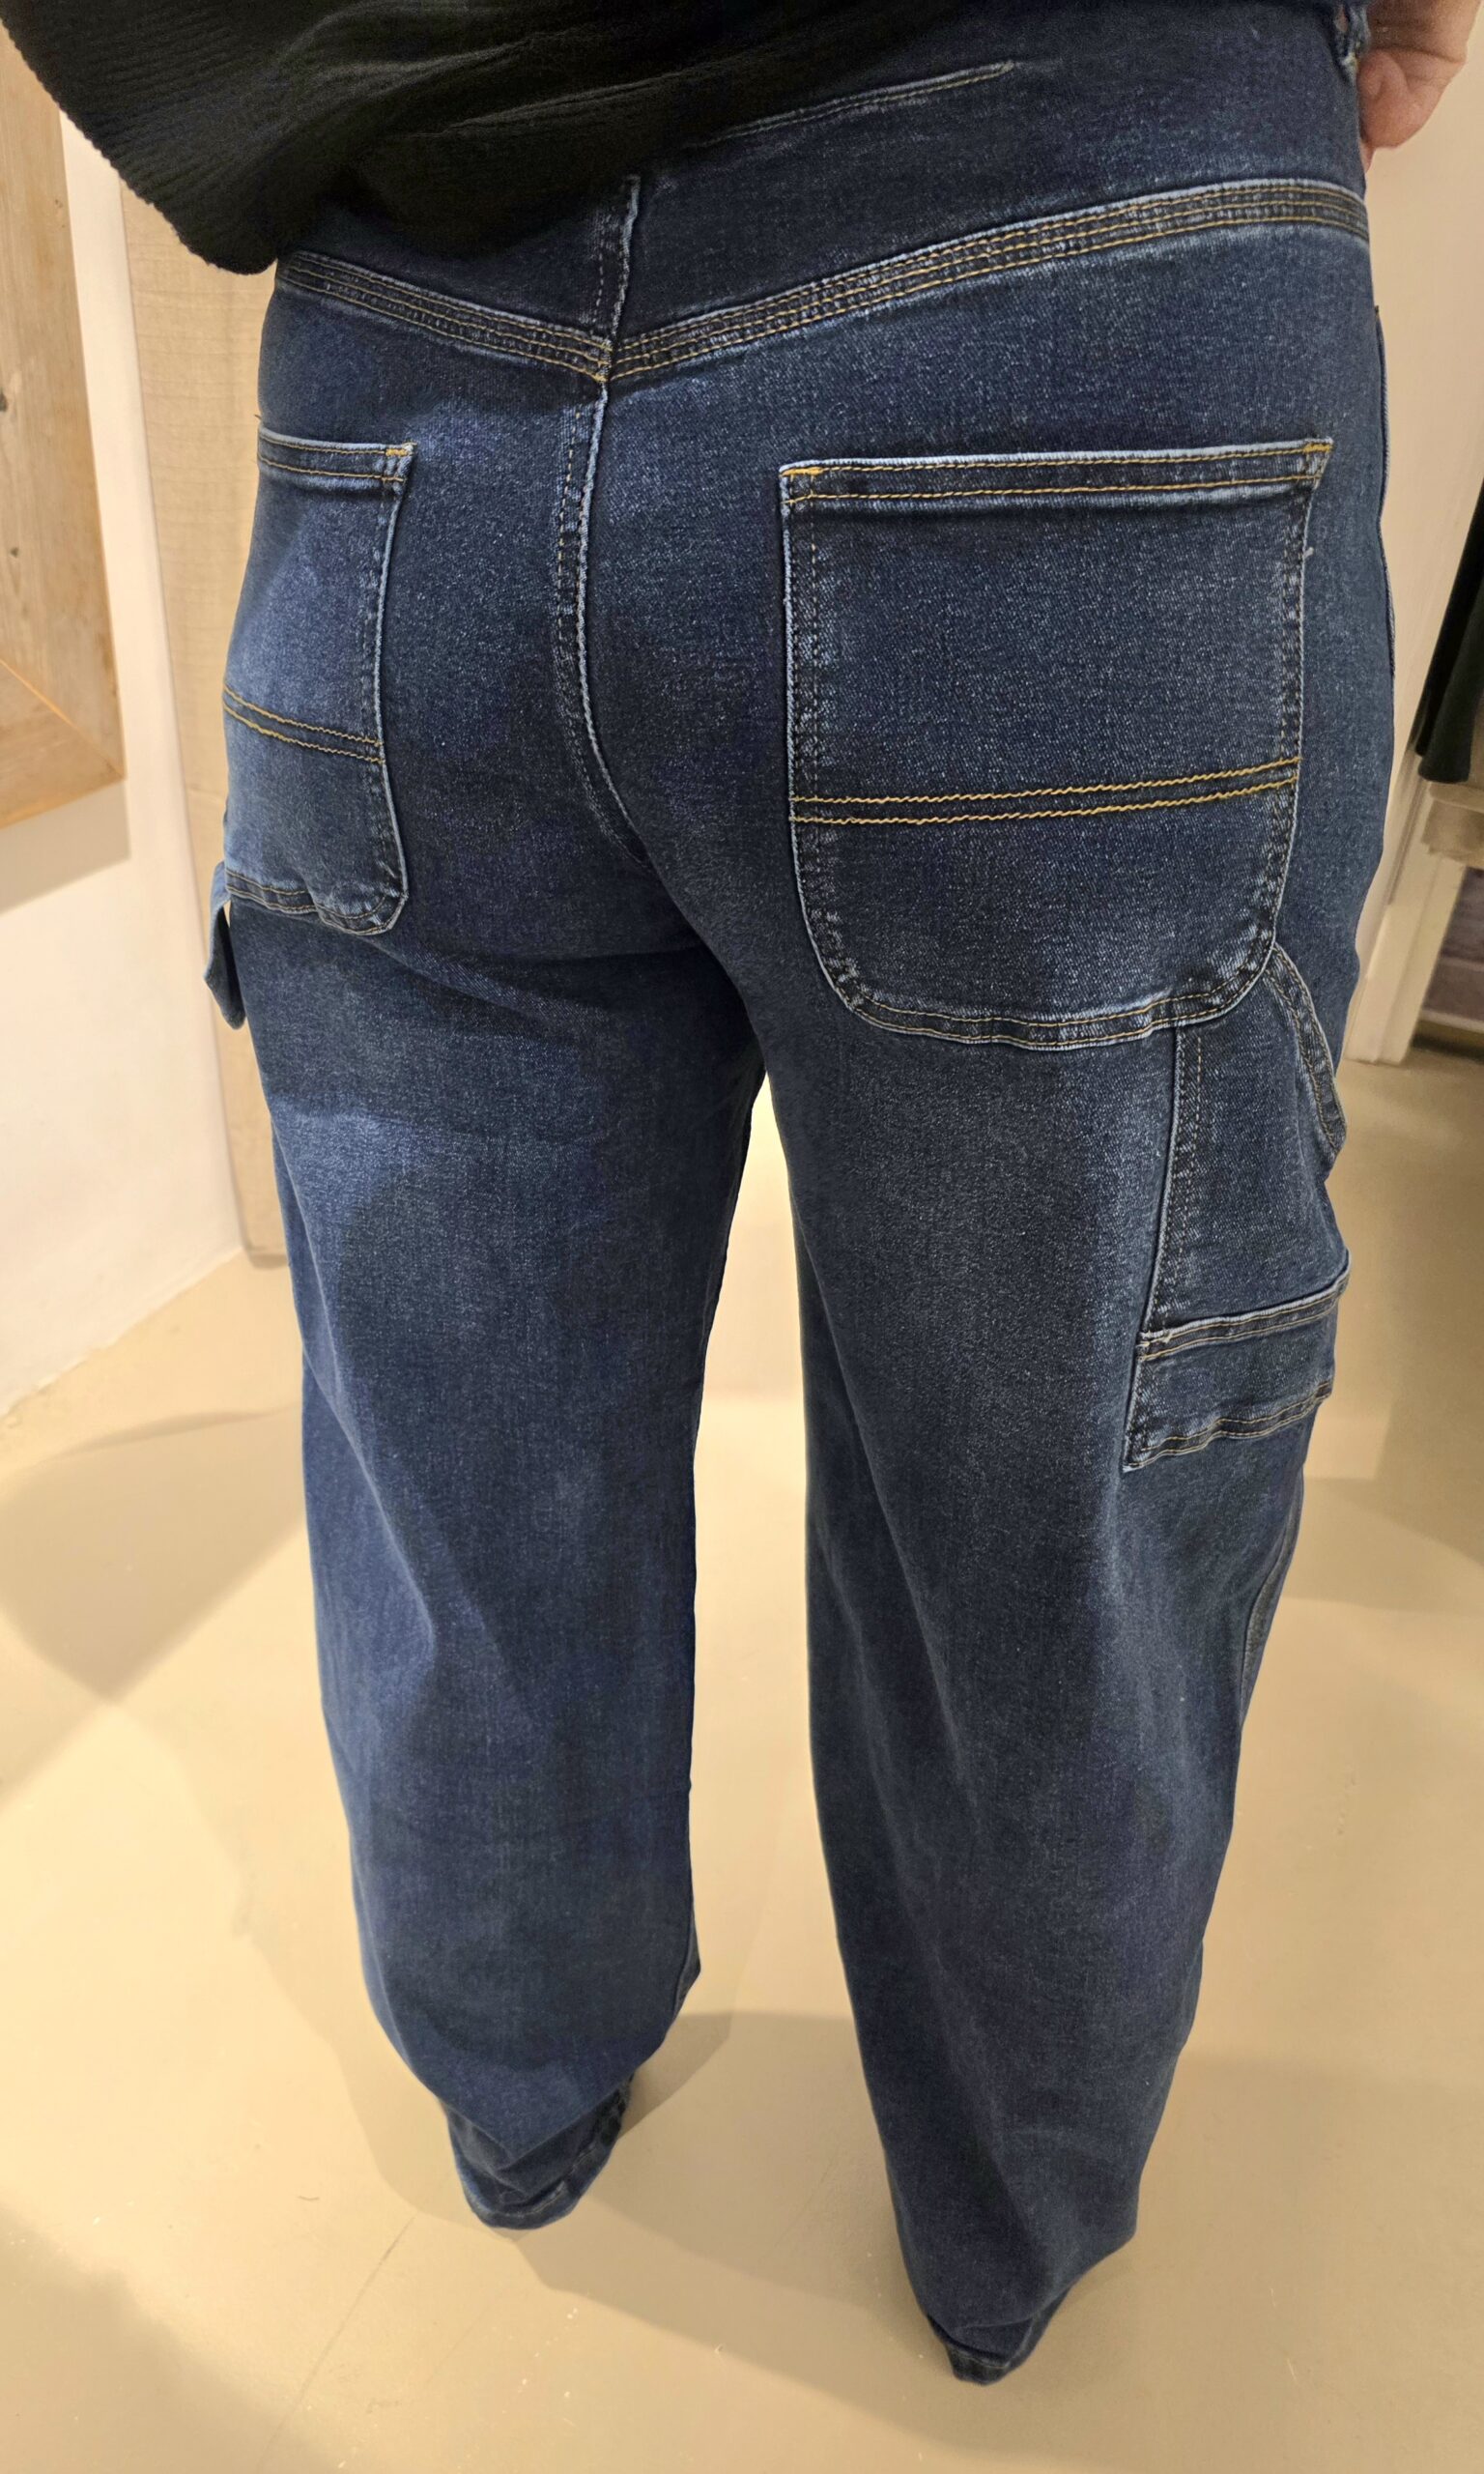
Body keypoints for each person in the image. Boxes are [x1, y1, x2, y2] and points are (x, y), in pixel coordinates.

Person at [3, 0, 1474, 2388]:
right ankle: (1004, 2226)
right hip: (1072, 251)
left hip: (400, 344)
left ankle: (516, 2083)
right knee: (1056, 1485)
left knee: (457, 1429)